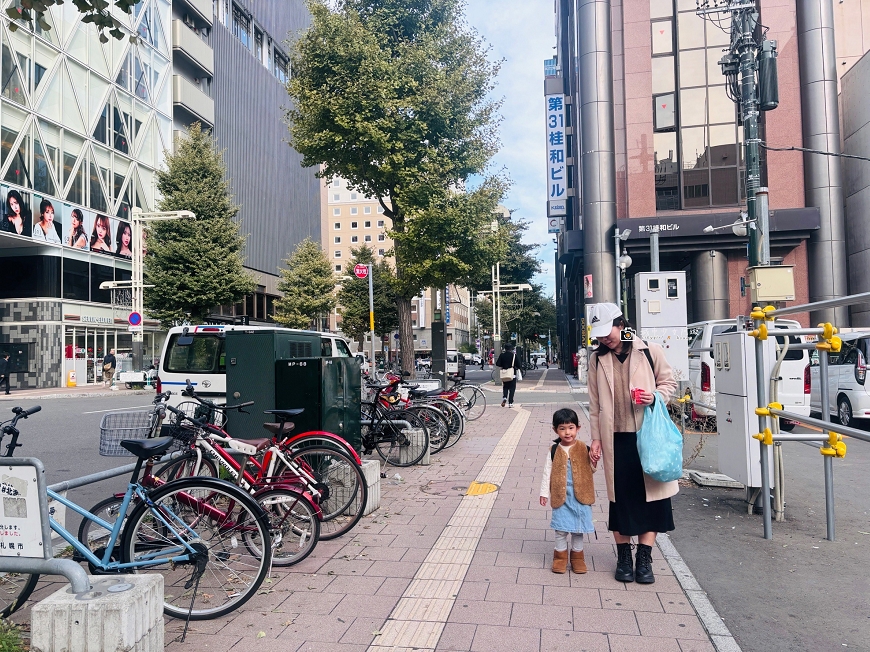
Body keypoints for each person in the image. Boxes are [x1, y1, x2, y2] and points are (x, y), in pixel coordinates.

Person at [587, 302, 677, 585]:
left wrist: (655, 396)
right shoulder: (596, 359)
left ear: (621, 324)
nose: (605, 339)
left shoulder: (649, 351)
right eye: (599, 336)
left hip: (646, 436)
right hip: (616, 439)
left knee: (652, 499)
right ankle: (624, 555)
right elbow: (594, 404)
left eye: (608, 333)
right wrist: (596, 440)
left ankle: (645, 558)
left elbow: (669, 384)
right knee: (621, 500)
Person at [539, 408, 596, 574]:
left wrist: (594, 460)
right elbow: (546, 473)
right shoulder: (554, 450)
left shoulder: (584, 448)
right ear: (555, 430)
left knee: (578, 530)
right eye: (562, 428)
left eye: (571, 427)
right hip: (561, 496)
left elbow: (591, 470)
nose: (567, 432)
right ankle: (560, 557)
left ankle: (577, 558)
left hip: (581, 497)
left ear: (578, 428)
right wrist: (544, 493)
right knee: (561, 529)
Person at [496, 343, 521, 408]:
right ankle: (510, 403)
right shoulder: (514, 356)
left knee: (505, 387)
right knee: (512, 388)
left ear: (505, 348)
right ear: (511, 349)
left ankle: (504, 397)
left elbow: (498, 364)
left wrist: (504, 366)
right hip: (512, 374)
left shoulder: (502, 355)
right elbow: (519, 365)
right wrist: (514, 367)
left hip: (505, 373)